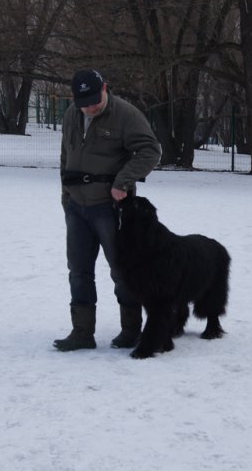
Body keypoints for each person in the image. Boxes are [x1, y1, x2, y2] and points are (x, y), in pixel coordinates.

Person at [54, 69, 161, 351]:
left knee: (121, 270)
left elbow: (151, 150)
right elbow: (66, 154)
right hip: (77, 207)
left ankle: (131, 330)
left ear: (105, 87)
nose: (89, 107)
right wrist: (66, 195)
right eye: (83, 102)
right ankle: (82, 332)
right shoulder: (71, 115)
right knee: (78, 270)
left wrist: (123, 182)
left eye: (94, 99)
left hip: (110, 208)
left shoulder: (126, 115)